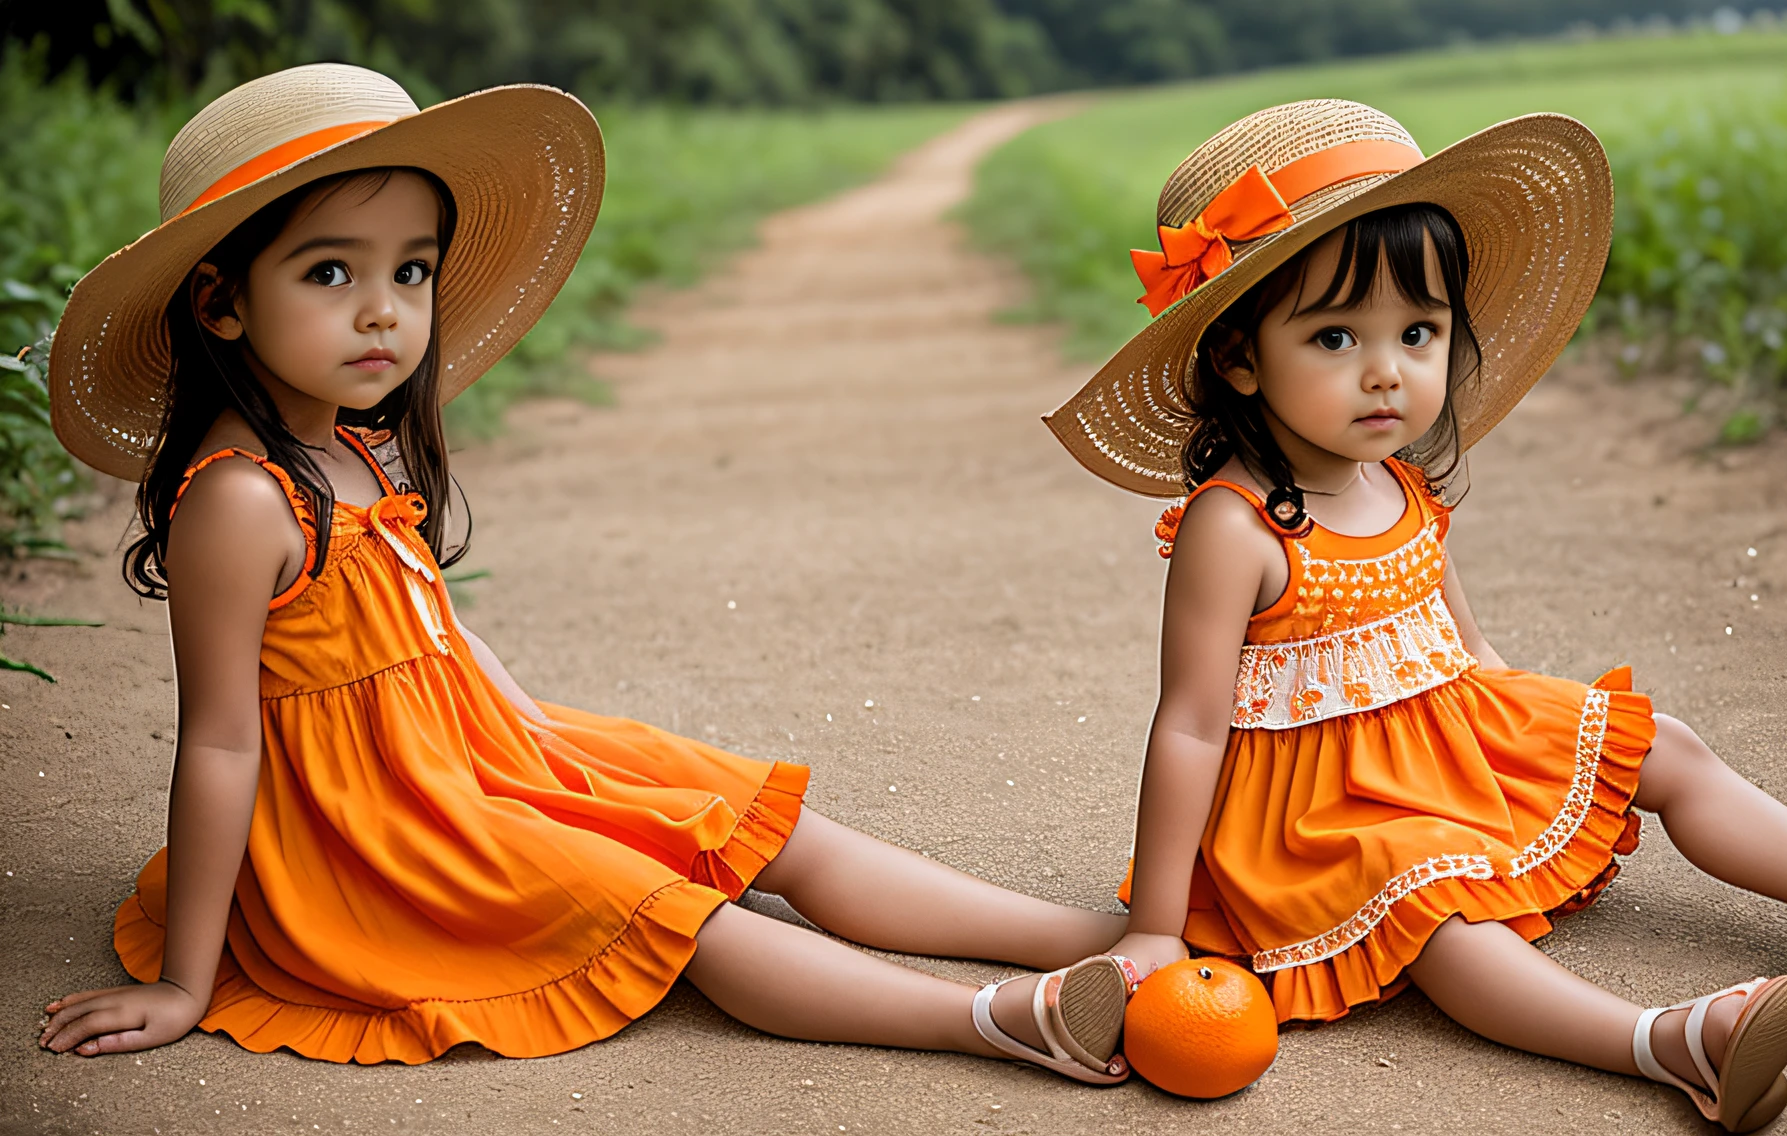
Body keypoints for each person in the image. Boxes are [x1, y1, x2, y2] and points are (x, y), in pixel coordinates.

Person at [34, 64, 1136, 1083]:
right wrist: (186, 976)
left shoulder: (352, 448)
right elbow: (222, 739)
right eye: (331, 271)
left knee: (737, 813)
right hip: (375, 834)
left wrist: (547, 750)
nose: (384, 308)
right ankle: (1002, 1015)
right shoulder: (239, 499)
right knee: (667, 906)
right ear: (222, 300)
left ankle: (1098, 936)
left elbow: (434, 638)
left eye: (410, 270)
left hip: (469, 754)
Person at [1042, 99, 1787, 1130]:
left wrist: (1531, 729)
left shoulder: (1393, 477)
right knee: (1435, 904)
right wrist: (1157, 928)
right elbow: (1189, 723)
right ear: (1238, 360)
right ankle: (1661, 1042)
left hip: (1435, 733)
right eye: (1335, 335)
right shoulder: (1235, 524)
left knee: (1658, 742)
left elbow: (1461, 646)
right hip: (1312, 815)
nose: (1386, 369)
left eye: (1417, 331)